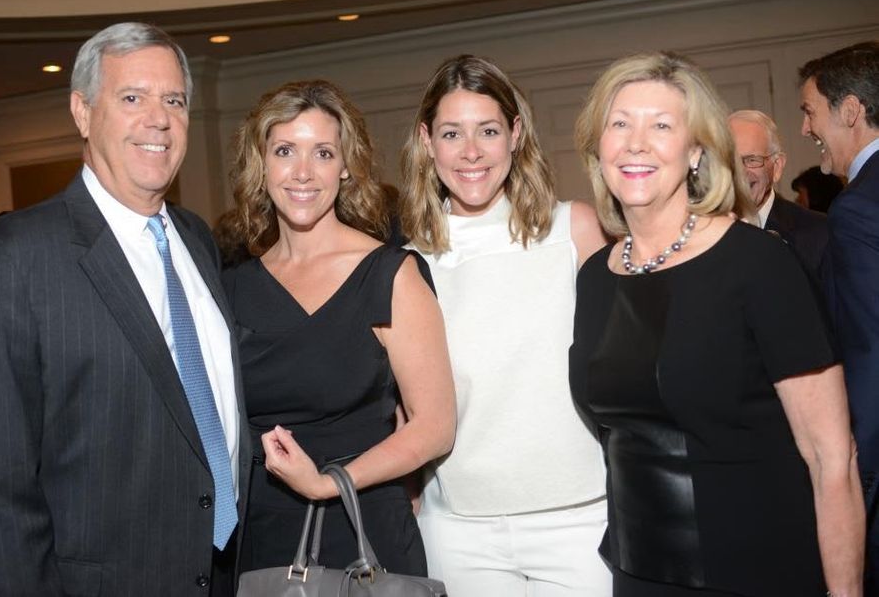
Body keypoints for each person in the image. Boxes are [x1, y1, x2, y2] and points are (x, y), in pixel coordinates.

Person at [0, 22, 250, 596]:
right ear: (82, 112)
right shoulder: (8, 259)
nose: (159, 118)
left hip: (220, 573)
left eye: (173, 100)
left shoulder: (197, 239)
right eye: (132, 98)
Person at [569, 50, 863, 596]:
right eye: (620, 124)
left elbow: (831, 457)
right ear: (599, 146)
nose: (637, 142)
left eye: (661, 125)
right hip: (639, 574)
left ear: (697, 150)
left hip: (759, 569)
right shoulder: (596, 279)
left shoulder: (758, 264)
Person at [219, 80, 455, 577]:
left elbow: (434, 427)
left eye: (322, 152)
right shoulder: (232, 285)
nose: (303, 172)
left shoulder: (391, 274)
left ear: (345, 166)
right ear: (262, 165)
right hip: (263, 537)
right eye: (285, 151)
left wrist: (328, 482)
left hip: (364, 531)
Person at [399, 54, 611, 596]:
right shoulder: (407, 263)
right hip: (459, 527)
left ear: (515, 134)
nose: (471, 152)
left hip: (582, 519)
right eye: (452, 133)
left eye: (488, 131)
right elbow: (406, 402)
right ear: (427, 141)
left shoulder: (574, 229)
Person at [799, 40, 879, 592]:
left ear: (850, 110)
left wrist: (858, 484)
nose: (806, 129)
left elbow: (871, 354)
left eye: (810, 111)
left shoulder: (857, 210)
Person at [728, 109, 828, 283]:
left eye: (752, 160)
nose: (740, 172)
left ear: (777, 167)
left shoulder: (819, 233)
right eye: (730, 160)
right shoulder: (699, 233)